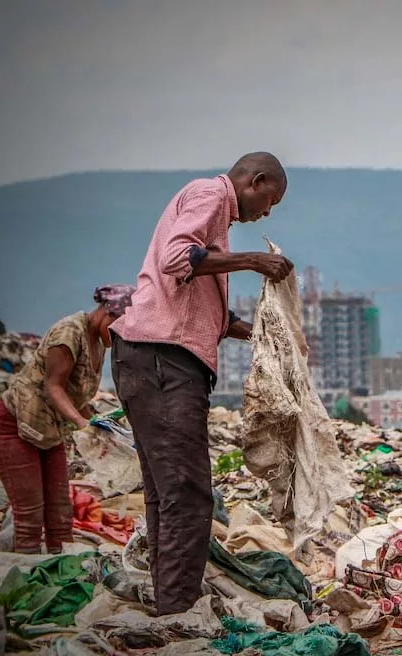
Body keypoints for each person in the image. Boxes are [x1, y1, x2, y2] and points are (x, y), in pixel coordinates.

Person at [110, 151, 295, 616]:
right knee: (189, 492)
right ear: (255, 181)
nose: (267, 214)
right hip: (163, 361)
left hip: (148, 359)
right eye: (270, 201)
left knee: (166, 492)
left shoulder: (213, 218)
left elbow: (200, 301)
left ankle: (169, 604)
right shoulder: (211, 194)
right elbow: (177, 258)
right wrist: (253, 261)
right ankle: (179, 610)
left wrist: (259, 332)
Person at [0, 285, 136, 554]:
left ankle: (60, 563)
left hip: (47, 431)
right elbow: (54, 387)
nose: (121, 335)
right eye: (120, 327)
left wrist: (99, 425)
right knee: (30, 515)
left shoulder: (98, 344)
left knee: (60, 513)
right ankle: (26, 569)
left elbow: (76, 395)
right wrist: (82, 423)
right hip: (13, 426)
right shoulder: (69, 333)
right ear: (107, 312)